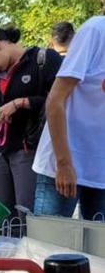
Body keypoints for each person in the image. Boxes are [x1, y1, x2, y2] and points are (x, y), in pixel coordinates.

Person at [0, 27, 62, 233]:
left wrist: (22, 102)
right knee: (4, 220)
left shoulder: (42, 59)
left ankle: (30, 262)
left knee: (27, 217)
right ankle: (6, 262)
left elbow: (62, 100)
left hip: (28, 150)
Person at [33, 16, 105, 220]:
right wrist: (63, 164)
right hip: (65, 164)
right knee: (47, 246)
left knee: (98, 250)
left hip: (100, 170)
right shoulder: (95, 30)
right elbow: (55, 100)